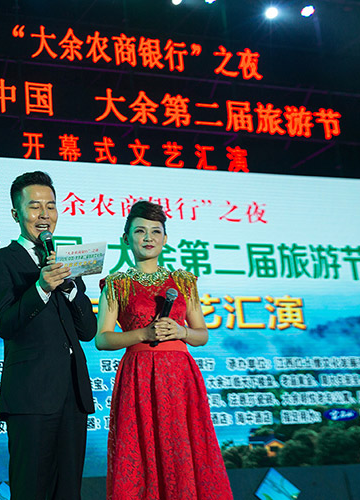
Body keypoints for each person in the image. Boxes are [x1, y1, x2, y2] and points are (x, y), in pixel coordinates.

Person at [95, 200, 233, 500]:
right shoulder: (116, 284)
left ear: (165, 239)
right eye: (140, 231)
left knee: (184, 449)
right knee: (142, 451)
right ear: (126, 238)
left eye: (156, 231)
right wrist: (142, 334)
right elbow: (102, 340)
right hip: (139, 377)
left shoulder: (184, 281)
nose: (148, 237)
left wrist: (182, 332)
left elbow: (202, 335)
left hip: (180, 378)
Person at [0, 171, 97, 500]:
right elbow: (5, 324)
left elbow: (88, 331)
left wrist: (71, 288)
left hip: (73, 394)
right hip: (30, 396)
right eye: (34, 207)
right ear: (16, 214)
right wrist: (42, 287)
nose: (44, 214)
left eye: (51, 206)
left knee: (69, 491)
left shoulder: (66, 262)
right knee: (31, 489)